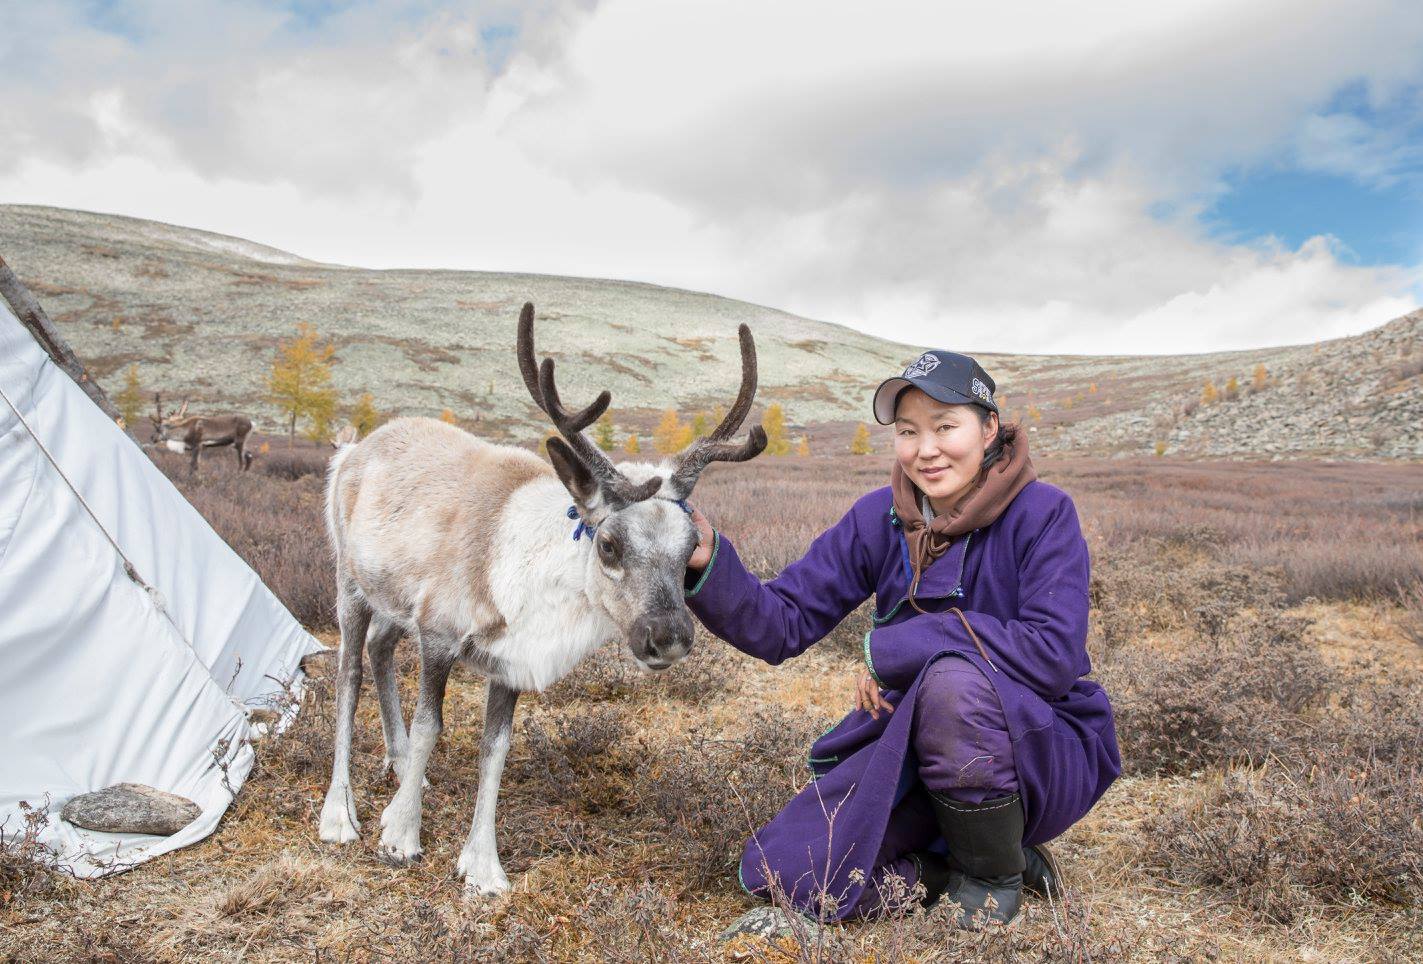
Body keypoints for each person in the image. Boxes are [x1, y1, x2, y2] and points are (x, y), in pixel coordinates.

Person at [683, 350, 1120, 930]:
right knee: (792, 875)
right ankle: (961, 867)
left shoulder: (1043, 513)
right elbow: (782, 622)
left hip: (1040, 751)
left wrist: (894, 648)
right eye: (908, 431)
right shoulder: (877, 519)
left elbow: (1054, 654)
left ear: (989, 427)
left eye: (946, 426)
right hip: (911, 748)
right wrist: (710, 559)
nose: (926, 450)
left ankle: (991, 879)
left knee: (951, 683)